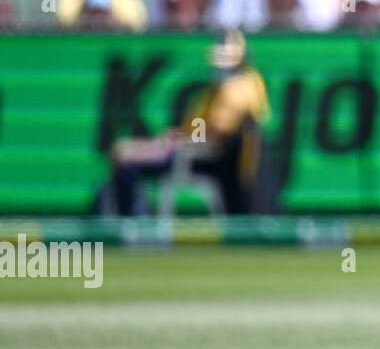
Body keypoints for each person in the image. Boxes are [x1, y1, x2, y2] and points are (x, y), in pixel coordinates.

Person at [100, 30, 270, 215]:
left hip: (198, 159)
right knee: (123, 152)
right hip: (190, 151)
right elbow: (198, 130)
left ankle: (133, 221)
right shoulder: (214, 90)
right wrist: (176, 138)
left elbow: (214, 138)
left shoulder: (240, 88)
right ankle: (133, 216)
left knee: (126, 158)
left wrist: (174, 145)